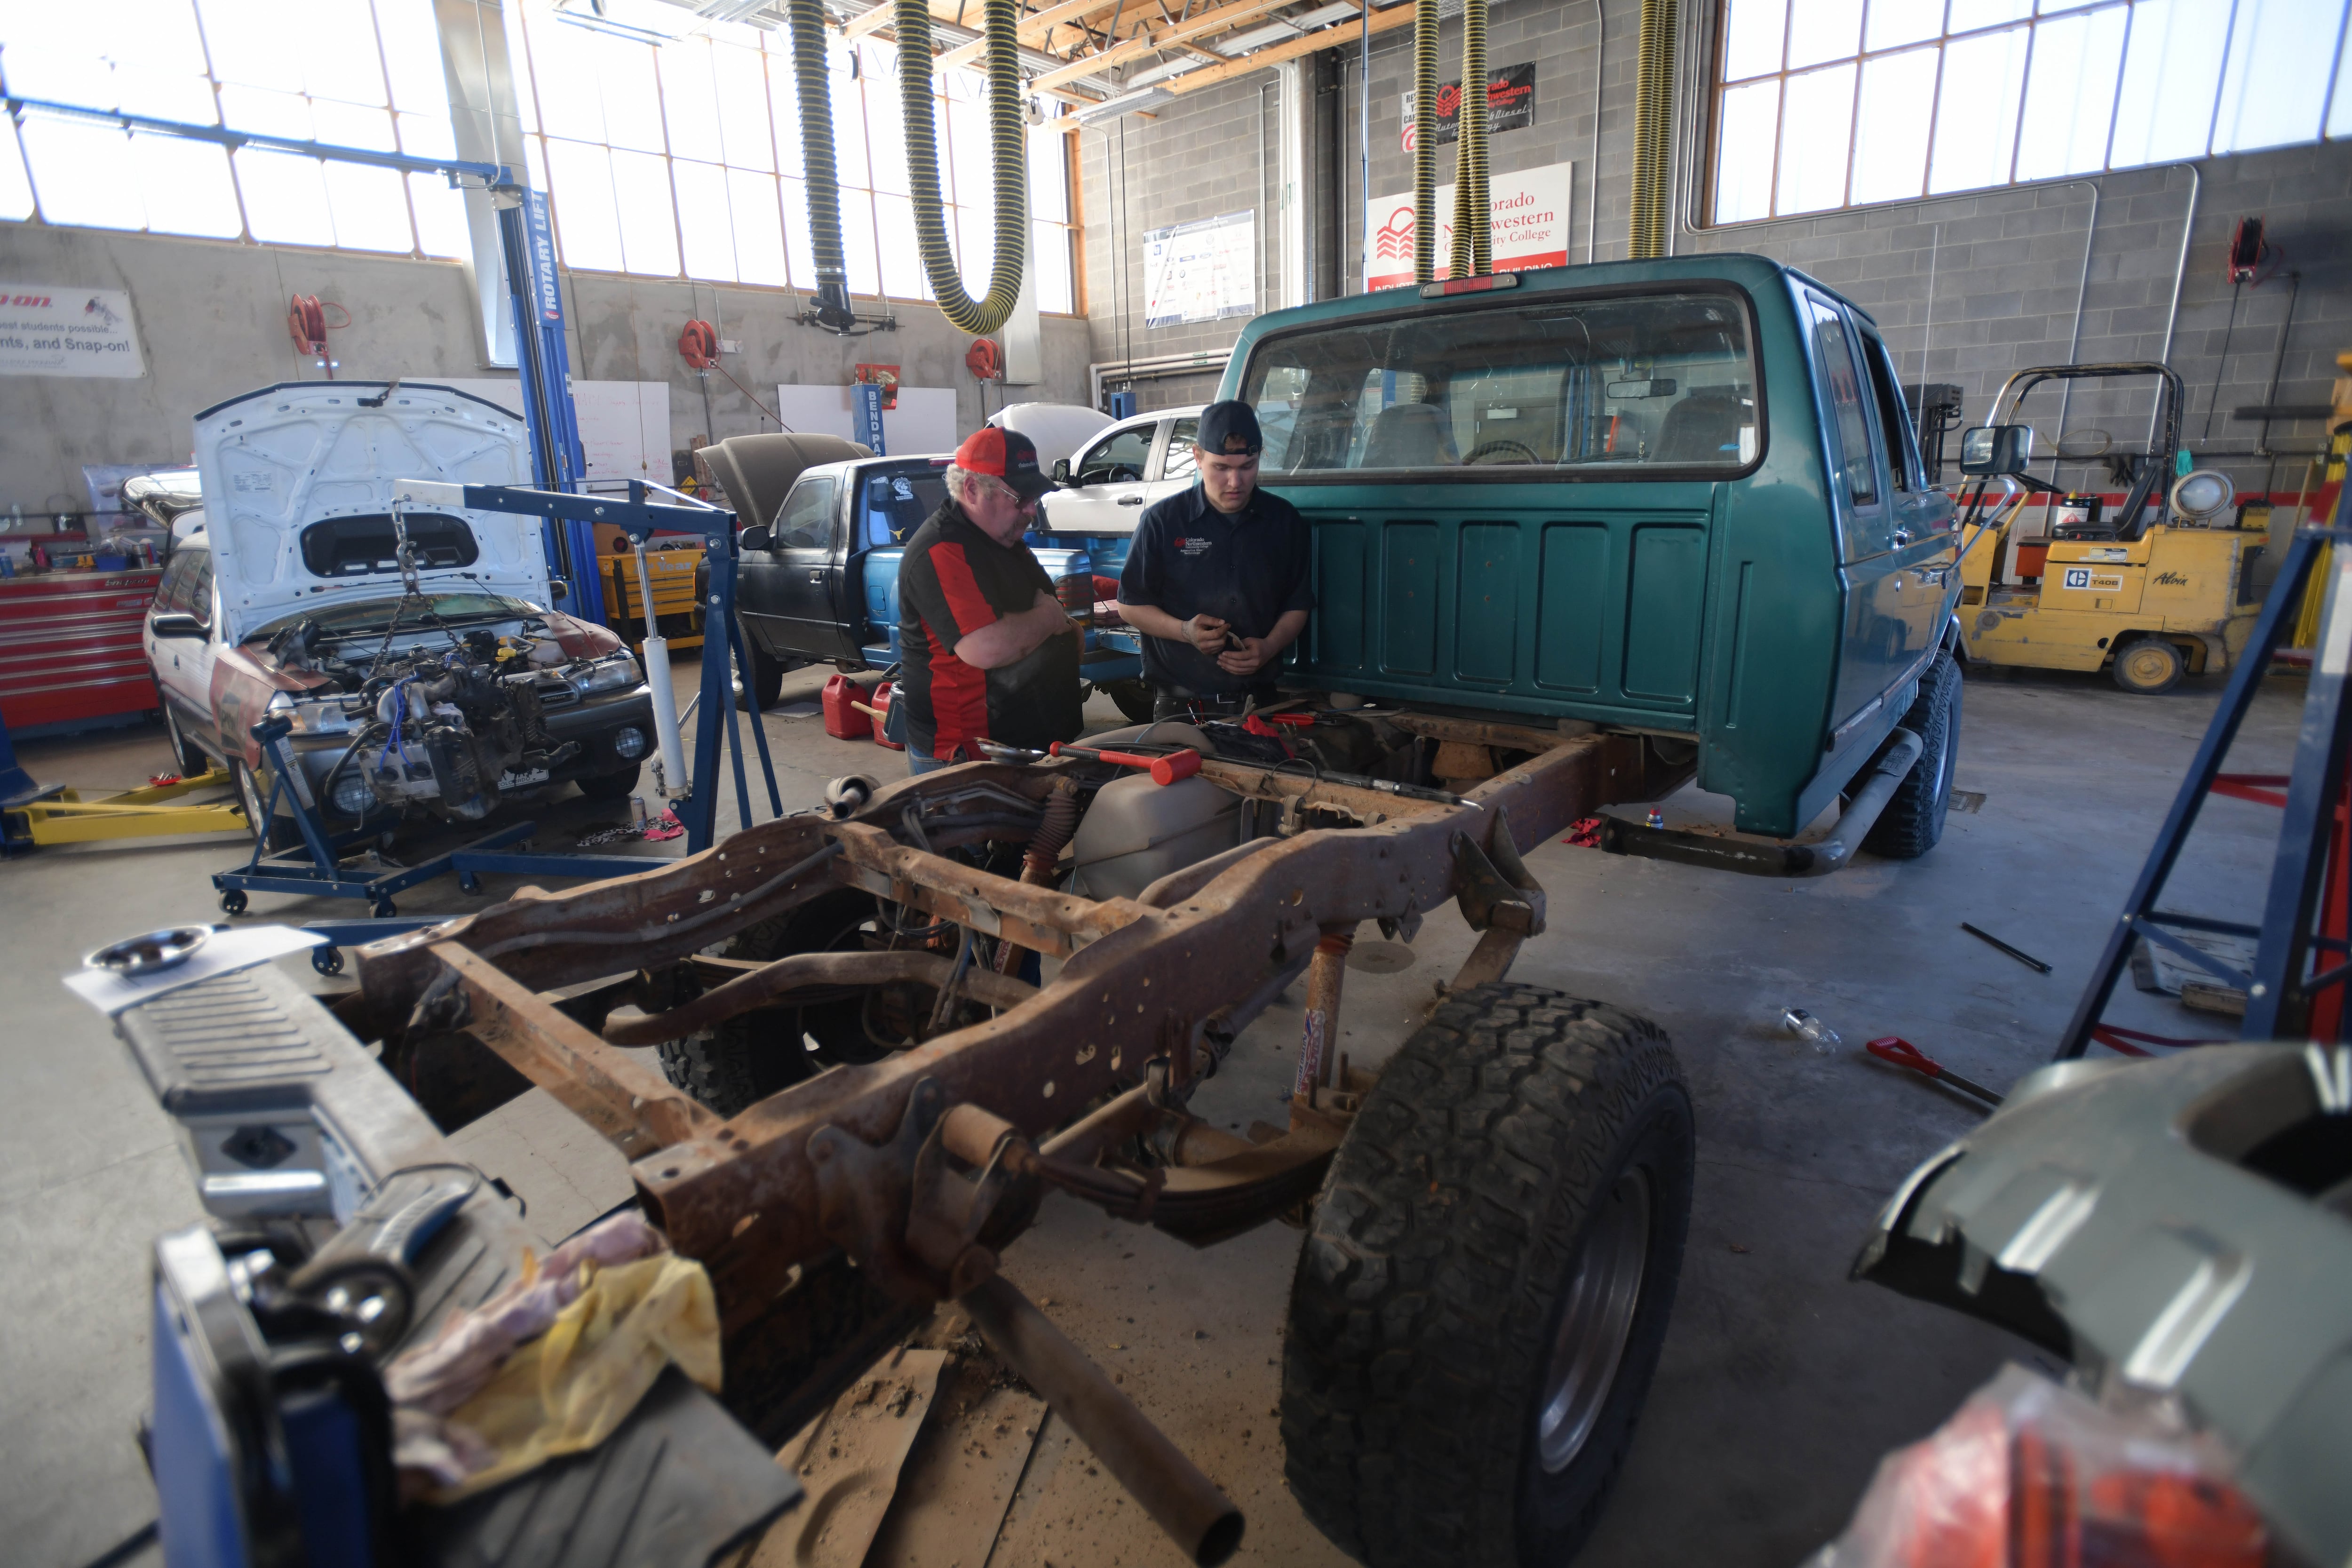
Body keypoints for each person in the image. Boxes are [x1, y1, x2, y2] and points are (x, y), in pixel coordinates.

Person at [896, 427, 1083, 773]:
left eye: (1034, 496)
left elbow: (1048, 605)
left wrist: (1059, 626)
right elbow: (986, 648)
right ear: (972, 489)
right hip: (972, 755)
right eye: (1019, 497)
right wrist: (1050, 619)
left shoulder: (1005, 540)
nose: (1031, 508)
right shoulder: (941, 550)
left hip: (1034, 743)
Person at [1116, 400, 1312, 721]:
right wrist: (1184, 631)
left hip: (1260, 707)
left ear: (1260, 456)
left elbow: (1298, 604)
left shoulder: (1284, 522)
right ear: (1198, 457)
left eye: (1247, 466)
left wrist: (1269, 647)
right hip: (1182, 710)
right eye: (1221, 468)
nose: (1236, 482)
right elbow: (1129, 604)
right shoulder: (1163, 522)